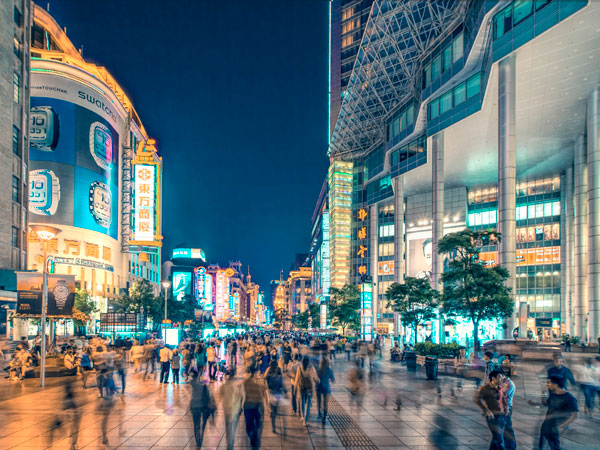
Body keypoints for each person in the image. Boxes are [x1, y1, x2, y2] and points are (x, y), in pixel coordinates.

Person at [539, 375, 579, 449]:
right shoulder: (553, 394)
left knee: (554, 445)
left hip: (556, 425)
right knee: (546, 444)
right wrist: (543, 393)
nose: (547, 384)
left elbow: (574, 415)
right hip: (547, 423)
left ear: (556, 384)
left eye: (549, 383)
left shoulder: (569, 398)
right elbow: (545, 403)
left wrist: (561, 426)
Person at [474, 370, 507, 450]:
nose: (502, 378)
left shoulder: (500, 387)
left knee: (496, 439)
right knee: (499, 440)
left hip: (502, 416)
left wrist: (506, 407)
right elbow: (477, 399)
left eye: (502, 376)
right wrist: (486, 411)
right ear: (493, 378)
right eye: (500, 376)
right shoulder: (485, 388)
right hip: (492, 418)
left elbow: (502, 397)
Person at [188, 373, 216, 447]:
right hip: (202, 406)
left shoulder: (192, 384)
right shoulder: (204, 386)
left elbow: (190, 381)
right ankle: (201, 436)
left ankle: (198, 440)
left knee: (196, 424)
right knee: (202, 424)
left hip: (194, 406)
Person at [220, 369, 244, 450]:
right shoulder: (239, 385)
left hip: (227, 408)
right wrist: (241, 406)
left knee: (228, 426)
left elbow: (220, 395)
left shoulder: (224, 386)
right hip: (235, 409)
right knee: (233, 425)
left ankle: (229, 443)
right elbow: (242, 396)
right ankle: (231, 442)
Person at [243, 368, 267, 450]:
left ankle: (253, 435)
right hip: (256, 407)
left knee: (249, 425)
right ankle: (254, 436)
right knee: (257, 424)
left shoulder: (245, 383)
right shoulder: (259, 384)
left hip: (248, 407)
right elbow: (262, 395)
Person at [295, 355, 319, 426]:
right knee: (308, 404)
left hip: (302, 387)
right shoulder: (311, 368)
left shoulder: (299, 368)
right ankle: (305, 421)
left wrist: (295, 388)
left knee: (302, 401)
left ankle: (302, 416)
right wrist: (318, 381)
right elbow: (316, 377)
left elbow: (297, 378)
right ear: (308, 361)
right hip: (309, 388)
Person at [265, 359, 286, 433]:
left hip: (271, 392)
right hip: (277, 392)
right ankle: (273, 423)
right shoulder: (279, 370)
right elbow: (281, 380)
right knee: (275, 410)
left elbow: (265, 379)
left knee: (272, 409)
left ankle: (273, 425)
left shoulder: (268, 370)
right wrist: (284, 389)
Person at [316, 357, 335, 424]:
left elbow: (315, 379)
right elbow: (333, 380)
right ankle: (325, 415)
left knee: (319, 401)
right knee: (325, 403)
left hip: (318, 387)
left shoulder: (318, 370)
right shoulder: (329, 370)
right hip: (326, 387)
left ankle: (319, 413)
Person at [502, 374, 517, 450]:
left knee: (508, 428)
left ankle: (511, 446)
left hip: (507, 408)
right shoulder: (505, 382)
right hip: (505, 408)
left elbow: (503, 395)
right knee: (505, 428)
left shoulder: (509, 383)